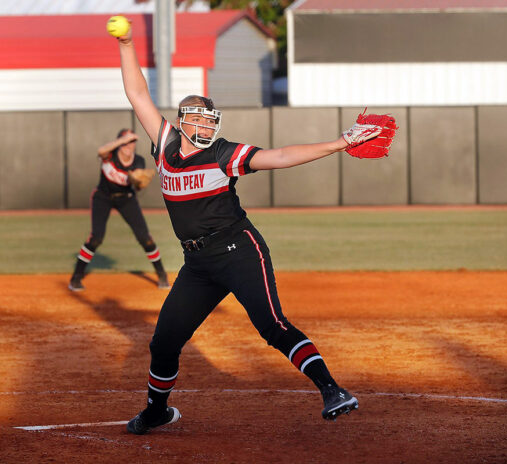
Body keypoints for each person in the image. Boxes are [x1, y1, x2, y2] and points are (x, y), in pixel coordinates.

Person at [113, 19, 384, 435]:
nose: (206, 128)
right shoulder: (166, 144)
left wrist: (339, 143)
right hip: (198, 263)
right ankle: (157, 410)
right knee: (164, 340)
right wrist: (129, 42)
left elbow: (278, 156)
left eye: (210, 121)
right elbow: (136, 93)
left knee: (271, 325)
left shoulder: (223, 153)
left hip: (238, 249)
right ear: (183, 122)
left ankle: (333, 390)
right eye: (199, 121)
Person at [68, 128, 170, 291]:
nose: (129, 145)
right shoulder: (110, 155)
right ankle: (76, 278)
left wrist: (137, 180)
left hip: (126, 199)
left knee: (145, 238)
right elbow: (100, 151)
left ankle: (162, 274)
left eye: (132, 142)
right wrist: (122, 140)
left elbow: (137, 182)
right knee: (96, 238)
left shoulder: (138, 160)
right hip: (102, 197)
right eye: (126, 141)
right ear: (120, 142)